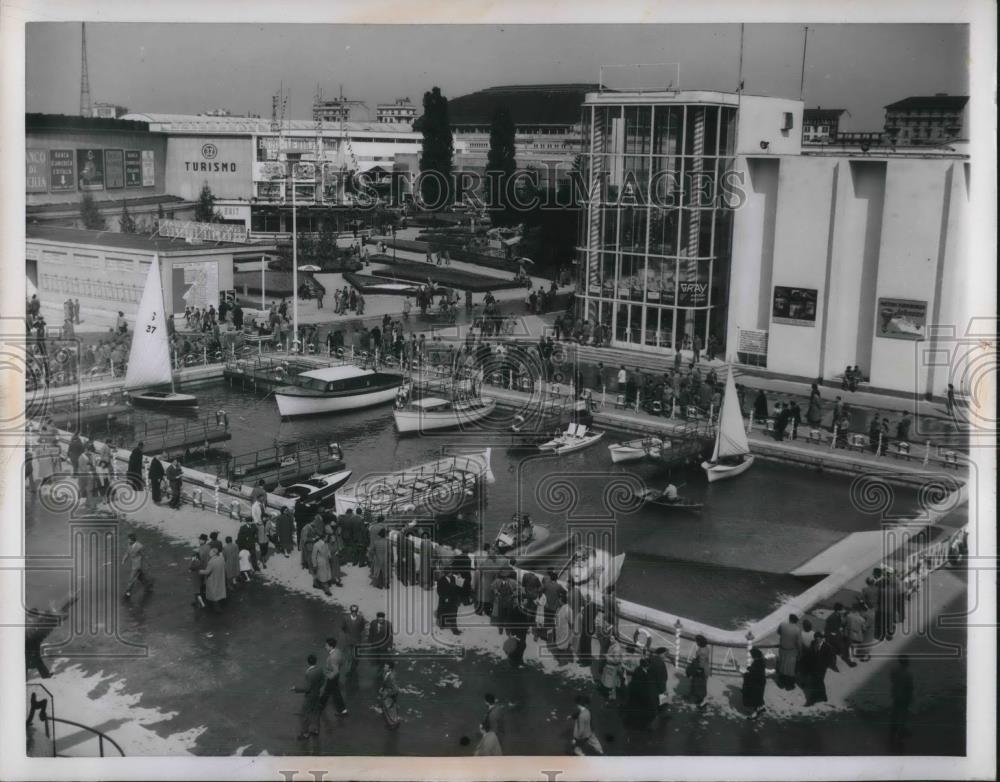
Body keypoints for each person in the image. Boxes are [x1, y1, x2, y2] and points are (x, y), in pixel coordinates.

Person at [292, 654, 325, 740]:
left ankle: (305, 733)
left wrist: (296, 689)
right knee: (316, 713)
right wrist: (317, 688)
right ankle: (316, 730)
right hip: (316, 694)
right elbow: (322, 681)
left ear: (308, 662)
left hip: (310, 696)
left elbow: (307, 688)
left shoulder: (309, 673)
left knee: (305, 714)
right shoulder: (320, 670)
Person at [889, 655, 914, 749]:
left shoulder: (894, 670)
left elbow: (892, 680)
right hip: (904, 697)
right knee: (903, 714)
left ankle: (892, 730)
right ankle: (901, 732)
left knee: (895, 712)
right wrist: (911, 697)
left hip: (896, 694)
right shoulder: (908, 674)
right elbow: (910, 687)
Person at [319, 637, 348, 716]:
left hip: (332, 676)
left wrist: (329, 677)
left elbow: (336, 671)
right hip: (335, 677)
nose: (325, 647)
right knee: (332, 692)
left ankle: (321, 705)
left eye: (326, 645)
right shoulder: (338, 651)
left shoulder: (332, 657)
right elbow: (342, 661)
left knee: (331, 692)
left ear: (331, 646)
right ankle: (343, 710)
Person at [121, 533, 153, 599]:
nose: (128, 541)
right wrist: (124, 559)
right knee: (140, 577)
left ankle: (128, 592)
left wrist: (148, 563)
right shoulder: (129, 545)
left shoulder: (140, 546)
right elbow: (127, 553)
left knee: (131, 579)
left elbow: (144, 556)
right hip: (134, 564)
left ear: (132, 540)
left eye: (129, 539)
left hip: (138, 565)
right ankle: (148, 585)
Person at [776, 614, 802, 689]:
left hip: (782, 649)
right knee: (790, 669)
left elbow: (778, 632)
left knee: (782, 666)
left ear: (789, 619)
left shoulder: (782, 624)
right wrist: (800, 652)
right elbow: (799, 644)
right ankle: (788, 685)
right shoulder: (797, 629)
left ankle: (780, 683)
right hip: (791, 651)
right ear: (796, 620)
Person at [339, 604, 366, 677]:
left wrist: (357, 633)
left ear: (357, 611)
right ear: (350, 611)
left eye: (355, 611)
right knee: (349, 656)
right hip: (348, 640)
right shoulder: (345, 618)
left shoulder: (360, 618)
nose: (354, 612)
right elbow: (343, 627)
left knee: (356, 656)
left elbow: (362, 628)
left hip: (357, 640)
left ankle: (354, 668)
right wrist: (348, 634)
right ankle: (349, 670)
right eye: (352, 611)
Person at [198, 547, 227, 613]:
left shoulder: (211, 562)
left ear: (214, 553)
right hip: (220, 577)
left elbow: (207, 572)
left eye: (210, 552)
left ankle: (217, 609)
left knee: (213, 593)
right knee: (219, 590)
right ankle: (220, 604)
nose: (209, 553)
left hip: (212, 579)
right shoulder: (221, 559)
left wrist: (200, 571)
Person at [741, 647, 767, 718]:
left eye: (752, 655)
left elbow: (755, 673)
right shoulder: (760, 660)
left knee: (755, 697)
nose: (751, 656)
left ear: (754, 655)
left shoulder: (758, 662)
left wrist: (746, 674)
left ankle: (754, 714)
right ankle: (761, 707)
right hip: (760, 681)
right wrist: (750, 669)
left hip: (757, 683)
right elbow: (756, 671)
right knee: (759, 696)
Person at [686, 635, 710, 706]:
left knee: (700, 685)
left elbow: (701, 662)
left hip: (701, 670)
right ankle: (698, 698)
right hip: (705, 669)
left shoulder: (702, 650)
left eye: (697, 641)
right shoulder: (706, 648)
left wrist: (697, 670)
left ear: (700, 642)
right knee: (700, 685)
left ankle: (701, 700)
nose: (696, 642)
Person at [377, 661, 401, 729]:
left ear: (390, 669)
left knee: (391, 709)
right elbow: (384, 681)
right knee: (387, 709)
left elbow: (396, 689)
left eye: (385, 667)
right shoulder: (385, 673)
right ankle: (391, 723)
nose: (384, 667)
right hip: (386, 692)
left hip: (390, 694)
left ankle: (394, 724)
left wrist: (388, 694)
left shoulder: (392, 677)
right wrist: (382, 688)